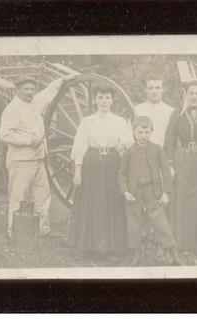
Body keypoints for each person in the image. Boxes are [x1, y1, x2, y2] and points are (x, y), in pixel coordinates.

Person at [0, 73, 76, 237]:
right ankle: (14, 232)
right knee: (18, 196)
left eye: (32, 89)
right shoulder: (12, 109)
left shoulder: (34, 101)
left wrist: (62, 80)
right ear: (17, 90)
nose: (30, 92)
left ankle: (42, 229)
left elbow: (47, 93)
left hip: (38, 158)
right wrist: (28, 140)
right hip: (21, 160)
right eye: (26, 89)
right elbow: (4, 135)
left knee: (43, 194)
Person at [69, 84, 134, 260]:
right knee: (92, 203)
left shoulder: (120, 122)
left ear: (112, 101)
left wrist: (123, 146)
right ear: (95, 100)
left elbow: (128, 143)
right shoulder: (87, 121)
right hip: (92, 163)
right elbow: (80, 146)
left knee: (112, 204)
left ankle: (111, 249)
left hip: (113, 164)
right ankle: (88, 246)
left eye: (107, 98)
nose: (104, 101)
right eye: (100, 97)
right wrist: (78, 171)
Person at [118, 116, 184, 266]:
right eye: (140, 132)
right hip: (134, 192)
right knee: (133, 222)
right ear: (134, 132)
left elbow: (166, 171)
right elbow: (121, 173)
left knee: (161, 220)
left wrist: (166, 192)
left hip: (152, 191)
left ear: (151, 132)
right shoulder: (129, 152)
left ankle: (172, 252)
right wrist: (125, 191)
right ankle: (134, 253)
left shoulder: (157, 149)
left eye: (146, 132)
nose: (143, 135)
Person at [164, 79, 197, 254]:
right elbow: (169, 140)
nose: (194, 97)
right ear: (186, 95)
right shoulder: (177, 114)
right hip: (181, 161)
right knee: (181, 201)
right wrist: (169, 164)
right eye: (191, 93)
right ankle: (179, 242)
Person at [134, 78, 174, 148]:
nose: (154, 91)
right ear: (146, 90)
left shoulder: (171, 111)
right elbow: (130, 133)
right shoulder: (137, 110)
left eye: (157, 88)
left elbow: (172, 138)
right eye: (151, 88)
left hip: (162, 154)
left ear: (163, 90)